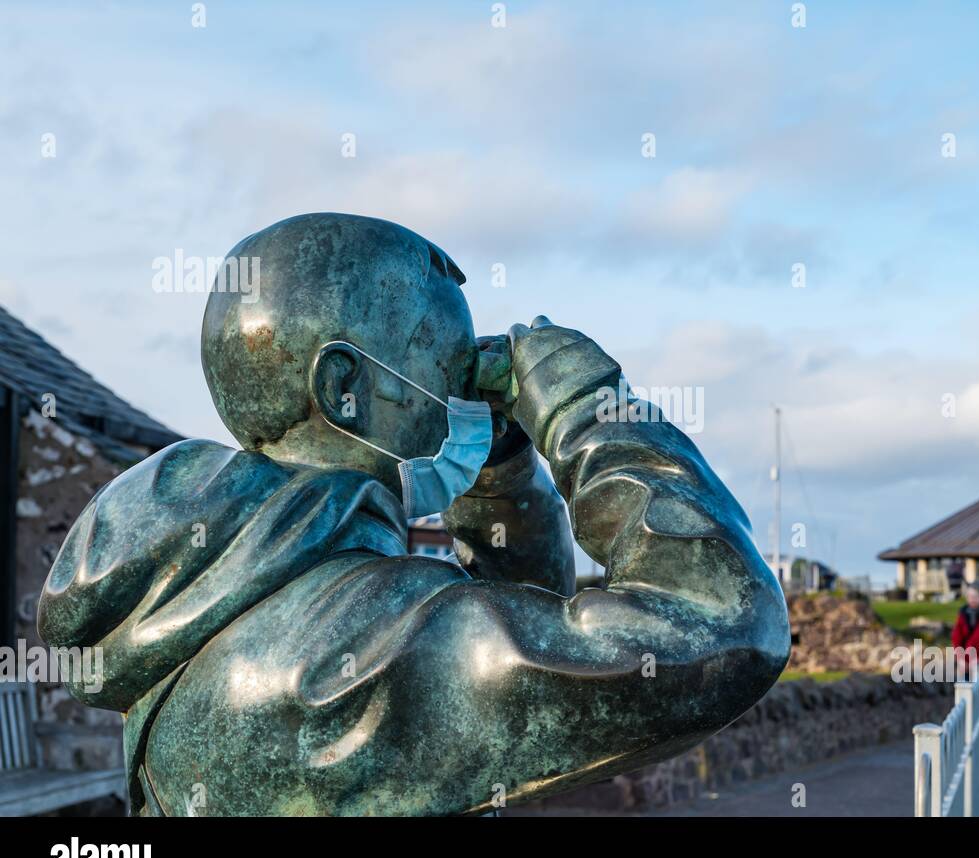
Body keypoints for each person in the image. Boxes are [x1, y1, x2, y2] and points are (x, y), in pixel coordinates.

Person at [37, 213, 790, 816]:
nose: (468, 390)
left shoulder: (215, 591)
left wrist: (499, 470)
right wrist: (589, 408)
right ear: (345, 389)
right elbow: (723, 620)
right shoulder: (353, 652)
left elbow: (517, 614)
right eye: (447, 362)